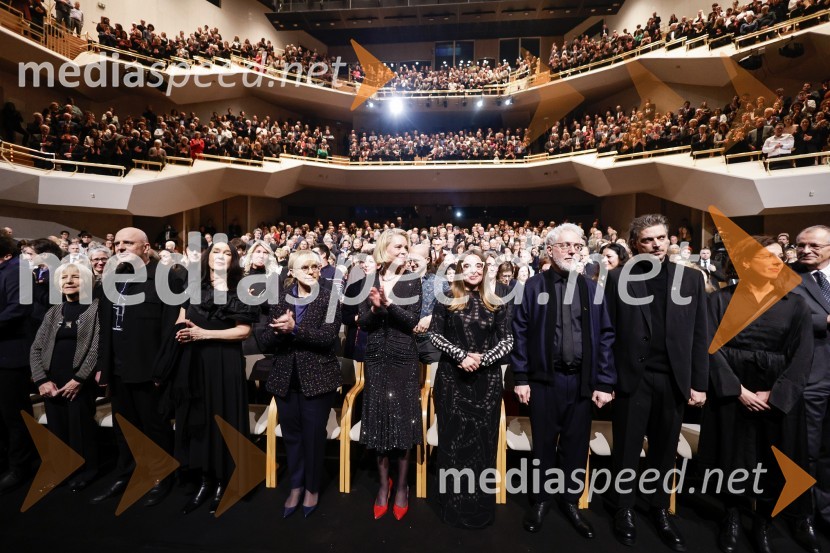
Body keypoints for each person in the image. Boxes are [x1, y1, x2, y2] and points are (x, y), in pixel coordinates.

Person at [701, 236, 816, 553]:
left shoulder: (796, 305)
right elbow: (711, 347)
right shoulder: (720, 300)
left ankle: (763, 522)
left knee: (773, 461)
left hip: (775, 392)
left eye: (780, 257)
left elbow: (803, 356)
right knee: (731, 457)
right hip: (733, 390)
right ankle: (731, 516)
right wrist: (737, 390)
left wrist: (773, 394)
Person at [604, 214, 709, 551]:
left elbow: (700, 335)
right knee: (626, 449)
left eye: (661, 238)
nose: (656, 245)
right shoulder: (618, 278)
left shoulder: (691, 280)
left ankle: (659, 508)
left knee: (665, 451)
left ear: (669, 240)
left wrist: (699, 382)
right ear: (635, 244)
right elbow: (609, 333)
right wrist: (606, 380)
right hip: (633, 378)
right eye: (648, 240)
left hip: (674, 379)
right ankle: (623, 508)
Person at [511, 224, 615, 538]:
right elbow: (520, 332)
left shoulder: (592, 288)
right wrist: (521, 376)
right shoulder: (534, 286)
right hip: (544, 381)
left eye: (577, 245)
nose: (572, 250)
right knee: (542, 444)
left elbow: (607, 336)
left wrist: (604, 382)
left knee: (575, 445)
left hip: (582, 382)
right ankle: (541, 499)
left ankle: (570, 500)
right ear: (550, 249)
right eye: (565, 245)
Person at [91, 227, 184, 507]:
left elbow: (170, 331)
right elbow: (104, 328)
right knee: (124, 426)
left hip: (149, 370)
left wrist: (161, 371)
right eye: (117, 242)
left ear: (145, 247)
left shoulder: (167, 278)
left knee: (153, 427)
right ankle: (127, 473)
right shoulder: (112, 278)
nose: (120, 247)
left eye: (128, 243)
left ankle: (161, 476)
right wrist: (103, 367)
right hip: (118, 369)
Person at [426, 249, 513, 528]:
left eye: (479, 265)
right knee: (452, 443)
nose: (473, 270)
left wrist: (483, 359)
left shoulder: (497, 300)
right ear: (460, 269)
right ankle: (452, 507)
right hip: (452, 379)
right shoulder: (447, 298)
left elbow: (508, 340)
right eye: (467, 265)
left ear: (486, 269)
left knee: (483, 444)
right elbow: (434, 335)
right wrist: (461, 355)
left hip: (486, 382)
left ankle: (479, 507)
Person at [173, 241, 258, 515]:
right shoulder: (194, 287)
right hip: (195, 362)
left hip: (225, 362)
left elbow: (243, 332)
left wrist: (204, 334)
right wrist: (182, 331)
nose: (221, 256)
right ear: (208, 257)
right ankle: (204, 480)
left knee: (224, 418)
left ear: (233, 260)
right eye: (217, 251)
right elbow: (182, 318)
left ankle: (224, 481)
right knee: (200, 420)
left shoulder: (240, 290)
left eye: (227, 253)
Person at [257, 250, 342, 518]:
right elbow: (265, 343)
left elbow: (327, 339)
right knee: (292, 436)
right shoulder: (280, 299)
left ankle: (312, 488)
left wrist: (294, 329)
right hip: (285, 377)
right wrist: (276, 330)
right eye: (305, 266)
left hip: (318, 379)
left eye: (316, 266)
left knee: (314, 437)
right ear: (291, 271)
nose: (313, 271)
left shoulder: (330, 299)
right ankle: (296, 485)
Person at [357, 228, 422, 520]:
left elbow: (412, 321)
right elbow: (365, 324)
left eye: (406, 247)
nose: (403, 251)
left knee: (404, 421)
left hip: (403, 356)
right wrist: (373, 307)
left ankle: (402, 487)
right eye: (398, 247)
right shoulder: (368, 281)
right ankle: (384, 486)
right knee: (378, 420)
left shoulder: (412, 281)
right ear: (385, 249)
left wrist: (389, 305)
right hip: (375, 358)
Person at [29, 262, 100, 492]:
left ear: (87, 281)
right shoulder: (53, 311)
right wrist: (41, 380)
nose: (69, 281)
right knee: (57, 426)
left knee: (80, 426)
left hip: (80, 379)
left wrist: (79, 379)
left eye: (75, 277)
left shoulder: (95, 308)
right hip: (52, 379)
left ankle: (87, 470)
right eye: (64, 278)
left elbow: (96, 348)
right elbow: (36, 348)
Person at [791, 225, 830, 533]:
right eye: (801, 245)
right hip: (812, 378)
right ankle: (804, 515)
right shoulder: (789, 278)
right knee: (808, 450)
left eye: (814, 245)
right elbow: (791, 314)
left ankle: (825, 513)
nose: (805, 250)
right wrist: (826, 319)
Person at [0, 235, 36, 494]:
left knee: (15, 416)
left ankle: (20, 466)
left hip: (11, 355)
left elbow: (18, 308)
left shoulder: (18, 270)